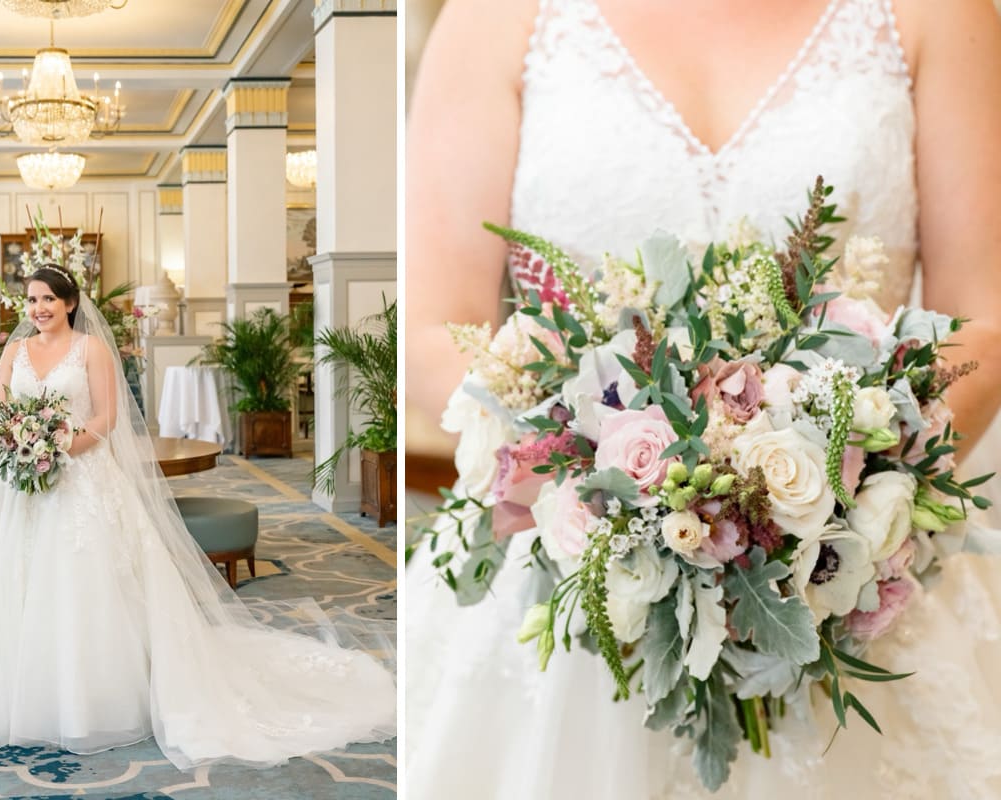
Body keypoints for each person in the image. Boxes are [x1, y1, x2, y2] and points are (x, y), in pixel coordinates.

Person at [405, 0, 1001, 797]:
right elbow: (435, 331)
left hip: (860, 582)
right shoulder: (496, 18)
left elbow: (984, 323)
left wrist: (838, 514)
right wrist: (620, 492)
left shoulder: (939, 12)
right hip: (571, 556)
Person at [0, 266, 396, 769]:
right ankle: (9, 691)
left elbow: (107, 418)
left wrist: (58, 447)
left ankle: (96, 697)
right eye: (32, 300)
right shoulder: (14, 351)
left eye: (49, 299)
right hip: (15, 484)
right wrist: (16, 445)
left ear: (70, 303)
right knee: (6, 585)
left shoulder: (89, 348)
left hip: (82, 479)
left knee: (88, 585)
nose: (39, 308)